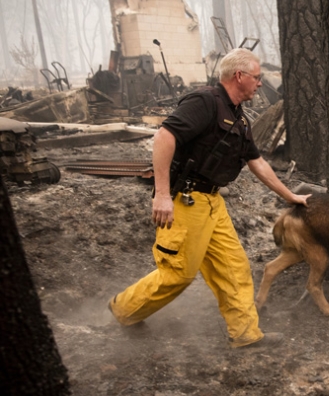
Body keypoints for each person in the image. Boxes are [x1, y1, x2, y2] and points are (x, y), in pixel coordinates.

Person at [108, 48, 310, 348]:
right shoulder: (205, 102)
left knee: (234, 266)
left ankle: (245, 334)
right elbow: (165, 136)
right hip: (185, 200)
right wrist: (162, 194)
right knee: (177, 274)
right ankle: (122, 310)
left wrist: (289, 195)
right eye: (256, 77)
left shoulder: (238, 118)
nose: (259, 83)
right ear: (239, 76)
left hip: (213, 203)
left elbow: (256, 162)